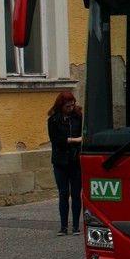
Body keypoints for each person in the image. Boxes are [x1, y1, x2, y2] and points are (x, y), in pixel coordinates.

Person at [48, 91, 82, 236]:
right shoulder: (54, 119)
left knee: (76, 194)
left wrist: (76, 140)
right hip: (60, 161)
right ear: (61, 106)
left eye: (72, 105)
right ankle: (63, 226)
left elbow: (83, 133)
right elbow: (56, 139)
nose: (71, 108)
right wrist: (74, 140)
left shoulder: (77, 117)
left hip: (75, 161)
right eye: (68, 106)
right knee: (63, 194)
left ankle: (75, 226)